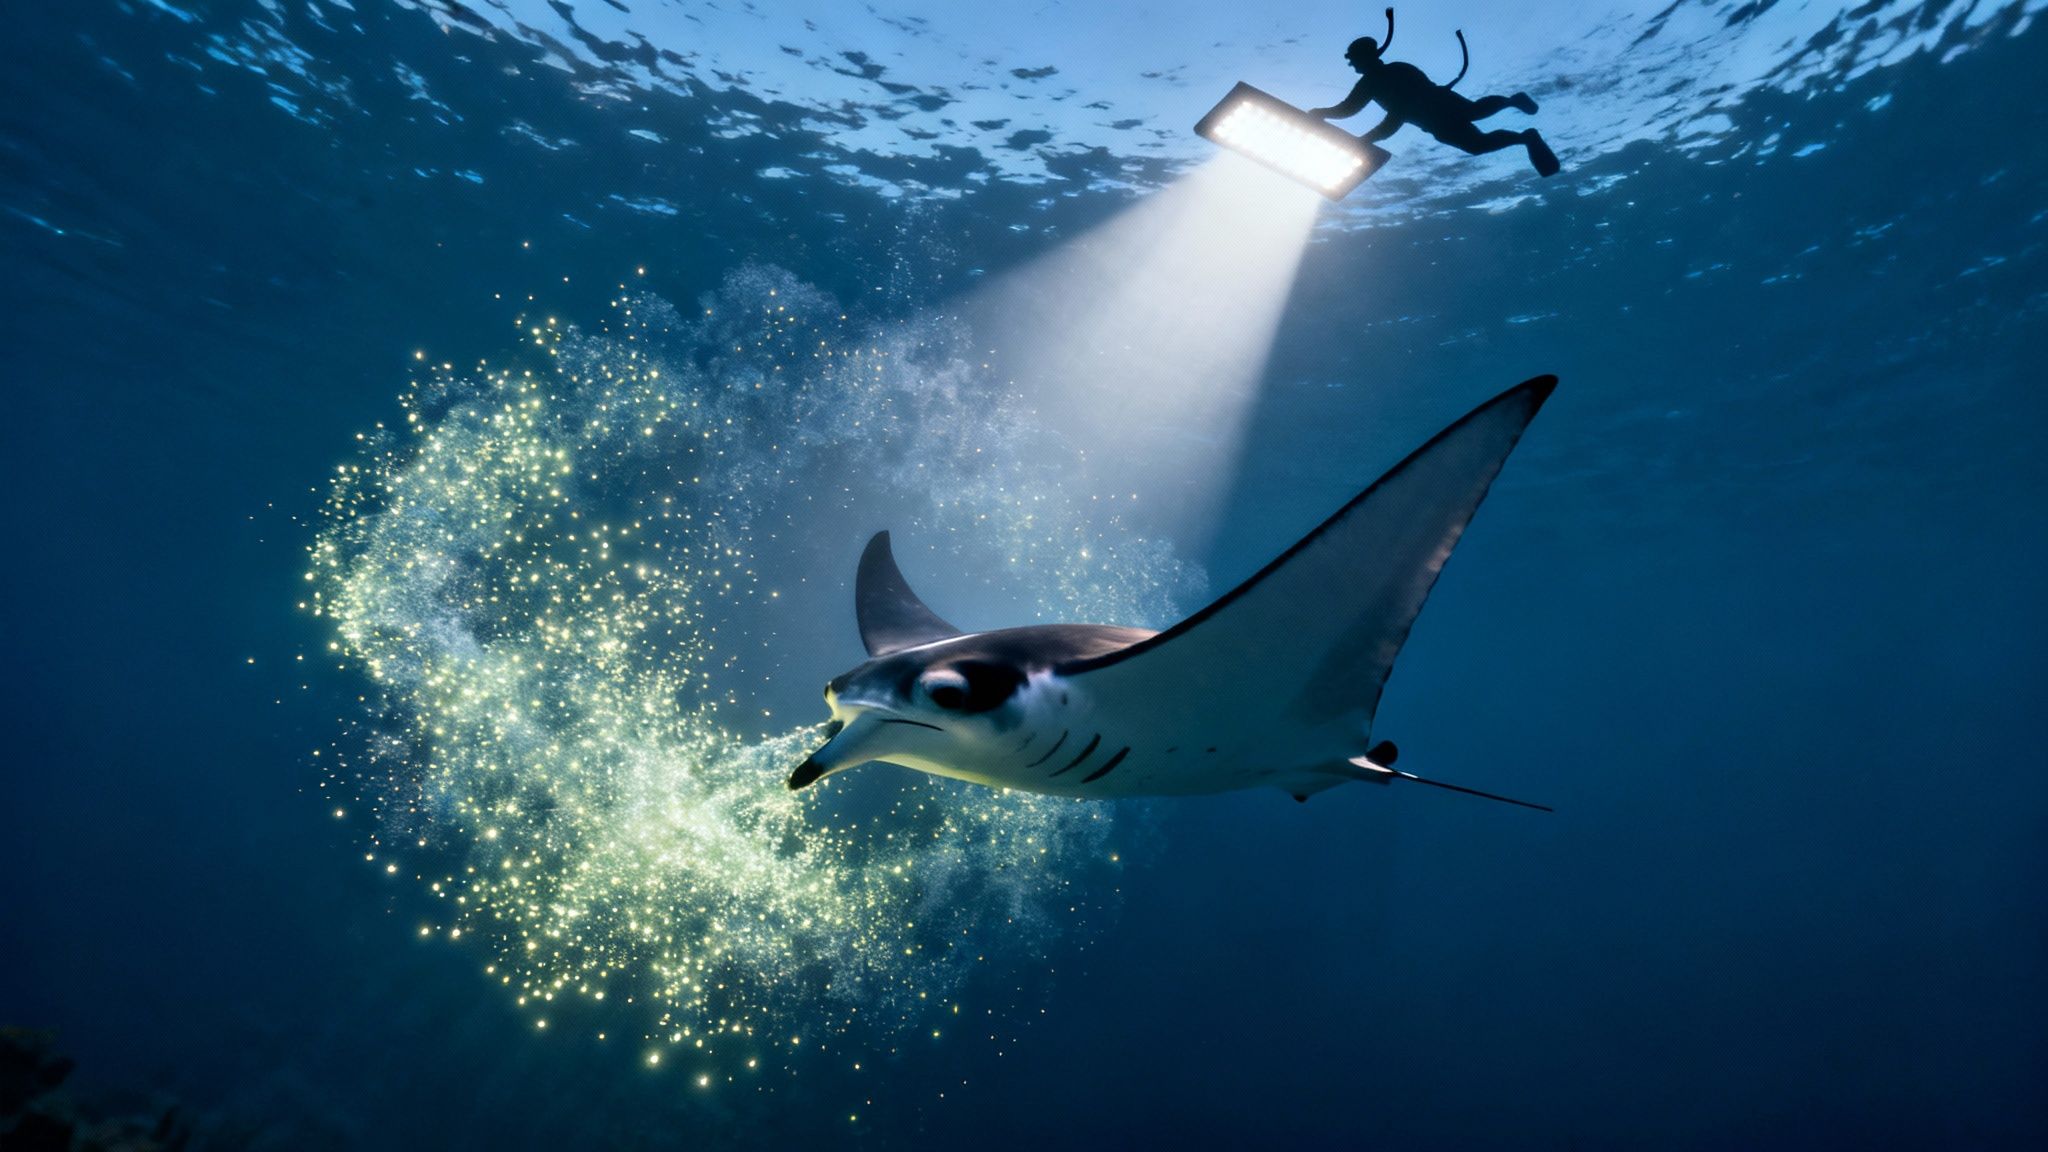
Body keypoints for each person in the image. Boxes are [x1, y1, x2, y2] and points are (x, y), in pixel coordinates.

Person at [1306, 7, 1559, 177]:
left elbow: (1395, 116)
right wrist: (1323, 114)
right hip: (1435, 123)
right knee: (1477, 143)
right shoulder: (1373, 82)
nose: (1352, 65)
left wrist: (1366, 138)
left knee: (1474, 112)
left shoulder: (1391, 74)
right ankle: (1525, 137)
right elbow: (1350, 108)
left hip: (1439, 109)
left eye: (1353, 60)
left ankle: (1510, 102)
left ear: (1365, 57)